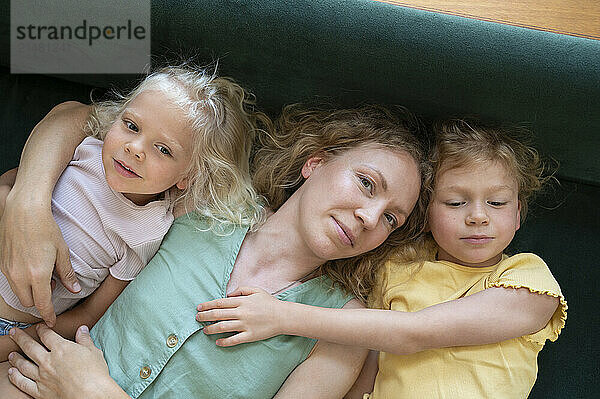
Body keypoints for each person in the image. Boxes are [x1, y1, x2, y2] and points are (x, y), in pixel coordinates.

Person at [2, 104, 430, 398]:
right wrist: (30, 201)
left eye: (391, 219)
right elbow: (78, 117)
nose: (371, 218)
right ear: (315, 163)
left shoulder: (345, 329)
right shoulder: (210, 199)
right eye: (367, 183)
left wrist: (95, 392)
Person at [191, 119, 567, 398]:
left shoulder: (528, 281)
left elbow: (413, 333)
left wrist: (281, 315)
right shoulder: (399, 268)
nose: (477, 216)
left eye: (497, 203)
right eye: (455, 202)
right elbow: (368, 366)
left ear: (518, 214)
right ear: (426, 216)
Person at [0, 64, 266, 391]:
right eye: (130, 125)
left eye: (163, 149)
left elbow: (90, 315)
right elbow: (9, 186)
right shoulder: (85, 150)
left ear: (187, 178)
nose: (135, 148)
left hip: (11, 325)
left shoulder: (147, 232)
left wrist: (15, 340)